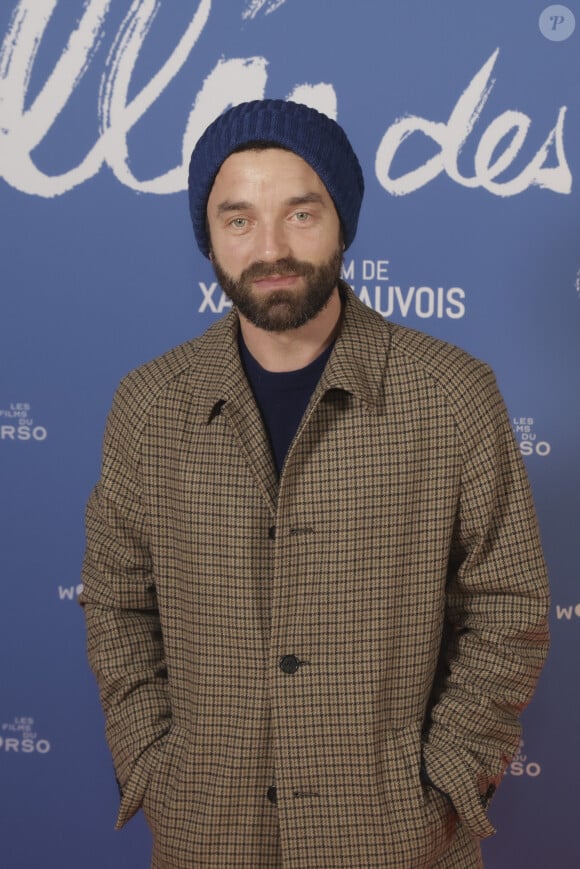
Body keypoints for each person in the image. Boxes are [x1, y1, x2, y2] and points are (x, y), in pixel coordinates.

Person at [81, 99, 550, 868]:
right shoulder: (148, 403)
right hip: (207, 835)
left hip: (399, 841)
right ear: (210, 238)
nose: (271, 247)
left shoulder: (453, 393)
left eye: (301, 213)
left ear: (342, 220)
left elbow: (508, 607)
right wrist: (154, 764)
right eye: (238, 220)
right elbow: (119, 604)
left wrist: (443, 780)